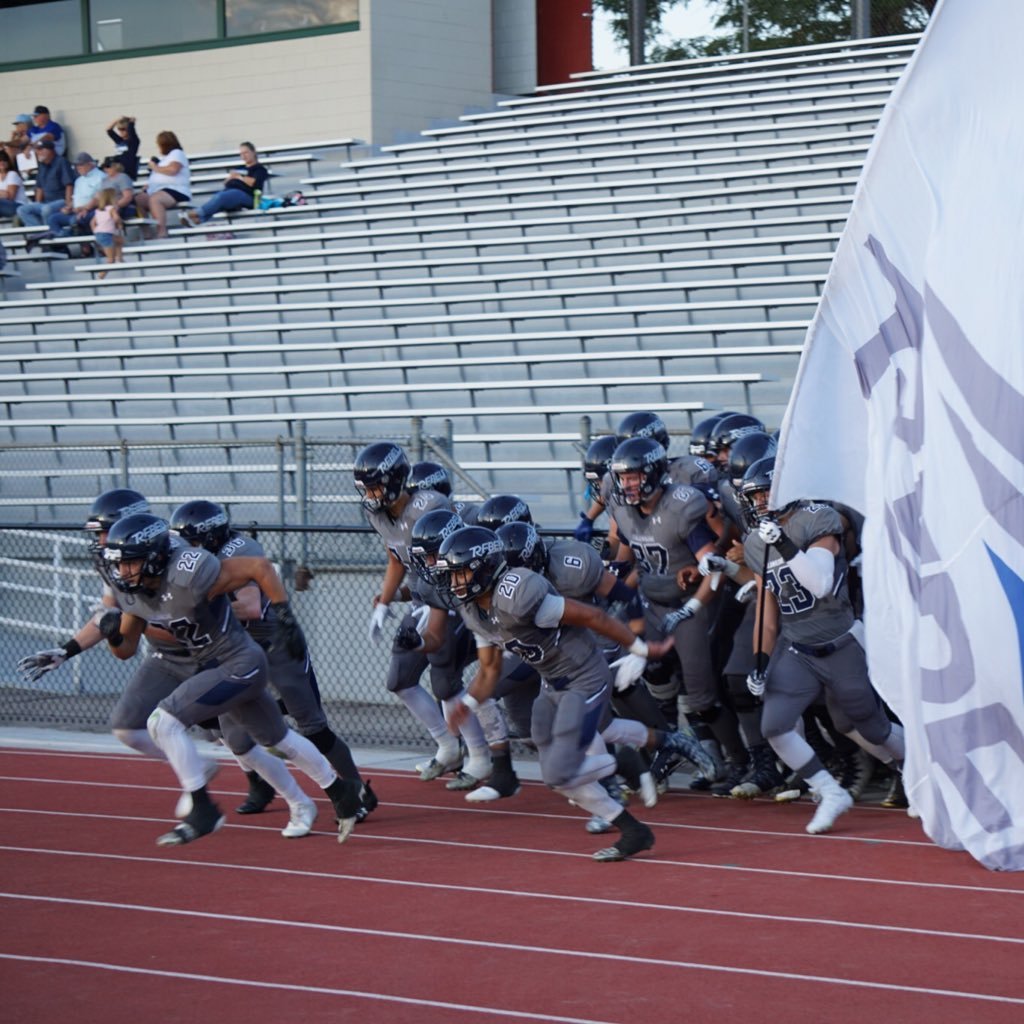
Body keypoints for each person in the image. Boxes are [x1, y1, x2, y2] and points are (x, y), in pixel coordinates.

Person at [17, 488, 322, 840]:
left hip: (214, 654)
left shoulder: (177, 556)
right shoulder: (115, 562)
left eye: (104, 532)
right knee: (128, 727)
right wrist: (68, 649)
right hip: (168, 656)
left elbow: (246, 583)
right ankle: (197, 771)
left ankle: (299, 800)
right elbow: (112, 617)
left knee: (242, 741)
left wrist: (280, 617)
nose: (101, 542)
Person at [100, 511, 363, 846]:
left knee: (162, 722)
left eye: (129, 563)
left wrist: (285, 614)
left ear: (153, 558)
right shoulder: (133, 594)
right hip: (218, 667)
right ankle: (341, 791)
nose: (122, 572)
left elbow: (258, 567)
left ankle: (203, 809)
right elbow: (125, 649)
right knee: (278, 740)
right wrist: (112, 637)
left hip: (239, 661)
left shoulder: (189, 572)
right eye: (118, 564)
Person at [436, 525, 674, 862]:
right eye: (452, 575)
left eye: (460, 573)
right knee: (558, 777)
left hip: (584, 676)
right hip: (551, 683)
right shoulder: (475, 610)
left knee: (559, 772)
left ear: (485, 566)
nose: (455, 583)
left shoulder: (518, 595)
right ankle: (634, 830)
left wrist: (639, 648)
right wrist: (469, 702)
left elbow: (593, 616)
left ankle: (623, 761)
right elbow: (489, 670)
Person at [169, 499, 377, 825]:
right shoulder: (195, 559)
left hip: (276, 643)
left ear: (210, 537)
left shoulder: (238, 549)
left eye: (192, 544)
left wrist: (193, 610)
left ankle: (358, 792)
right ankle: (261, 787)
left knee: (313, 728)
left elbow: (250, 607)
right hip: (237, 651)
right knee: (235, 736)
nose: (186, 552)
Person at [738, 456, 906, 834]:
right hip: (798, 647)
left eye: (766, 492)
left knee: (869, 727)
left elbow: (819, 584)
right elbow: (767, 610)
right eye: (754, 495)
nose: (760, 502)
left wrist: (781, 543)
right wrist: (760, 663)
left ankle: (919, 768)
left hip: (841, 641)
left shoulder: (816, 518)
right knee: (776, 726)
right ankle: (830, 792)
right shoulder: (755, 541)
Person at [607, 436, 752, 789]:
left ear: (654, 472)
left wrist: (692, 607)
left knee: (701, 696)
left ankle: (739, 761)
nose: (627, 484)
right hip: (651, 603)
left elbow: (713, 566)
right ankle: (669, 746)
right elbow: (623, 562)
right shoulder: (622, 509)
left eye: (634, 476)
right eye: (623, 477)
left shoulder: (680, 506)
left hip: (686, 606)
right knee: (626, 679)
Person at [354, 441, 489, 780]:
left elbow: (453, 560)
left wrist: (436, 602)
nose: (370, 495)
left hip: (454, 596)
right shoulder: (378, 514)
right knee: (399, 679)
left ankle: (481, 756)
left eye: (374, 486)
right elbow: (395, 556)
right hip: (422, 598)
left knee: (444, 678)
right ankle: (447, 746)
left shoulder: (429, 506)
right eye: (365, 488)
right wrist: (384, 602)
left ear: (396, 479)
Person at [182, 141, 268, 226]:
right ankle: (198, 220)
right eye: (241, 154)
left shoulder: (259, 169)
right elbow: (226, 183)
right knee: (218, 198)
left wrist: (239, 177)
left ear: (253, 152)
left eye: (246, 153)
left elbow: (254, 183)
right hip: (233, 193)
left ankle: (194, 213)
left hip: (249, 197)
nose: (243, 156)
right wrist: (231, 178)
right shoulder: (240, 168)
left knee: (221, 197)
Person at [41, 151, 104, 253]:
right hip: (76, 210)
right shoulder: (79, 180)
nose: (78, 168)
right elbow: (75, 199)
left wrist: (84, 208)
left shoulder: (101, 177)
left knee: (75, 221)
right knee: (53, 219)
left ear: (90, 164)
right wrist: (68, 207)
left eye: (81, 165)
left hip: (91, 210)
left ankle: (86, 248)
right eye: (77, 165)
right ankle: (61, 249)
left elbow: (100, 199)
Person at [134, 131, 190, 239]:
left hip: (176, 190)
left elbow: (173, 170)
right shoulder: (165, 158)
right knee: (138, 199)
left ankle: (161, 231)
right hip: (159, 190)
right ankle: (147, 232)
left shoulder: (177, 153)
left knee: (155, 199)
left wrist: (155, 167)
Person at [16, 141, 72, 241]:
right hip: (46, 202)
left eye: (41, 149)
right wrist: (37, 203)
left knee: (46, 209)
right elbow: (39, 188)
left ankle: (49, 236)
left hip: (61, 200)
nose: (38, 152)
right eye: (37, 150)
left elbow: (69, 185)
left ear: (51, 150)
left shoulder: (61, 162)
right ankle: (40, 234)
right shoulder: (42, 165)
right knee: (22, 210)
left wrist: (68, 204)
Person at [90, 187, 124, 277]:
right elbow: (116, 218)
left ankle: (119, 258)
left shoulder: (98, 210)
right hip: (106, 234)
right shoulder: (111, 208)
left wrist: (96, 231)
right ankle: (102, 275)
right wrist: (119, 223)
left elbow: (92, 223)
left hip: (100, 233)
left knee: (119, 240)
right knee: (110, 259)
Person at [105, 115, 140, 180]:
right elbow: (109, 130)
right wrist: (117, 120)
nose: (121, 131)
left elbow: (131, 130)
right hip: (117, 170)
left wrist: (130, 122)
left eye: (123, 129)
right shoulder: (119, 140)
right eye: (119, 129)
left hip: (126, 170)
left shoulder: (133, 141)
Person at [0, 150, 26, 219]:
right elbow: (4, 194)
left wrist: (4, 194)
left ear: (8, 161)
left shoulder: (12, 174)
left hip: (17, 206)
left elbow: (10, 196)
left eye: (4, 160)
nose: (2, 162)